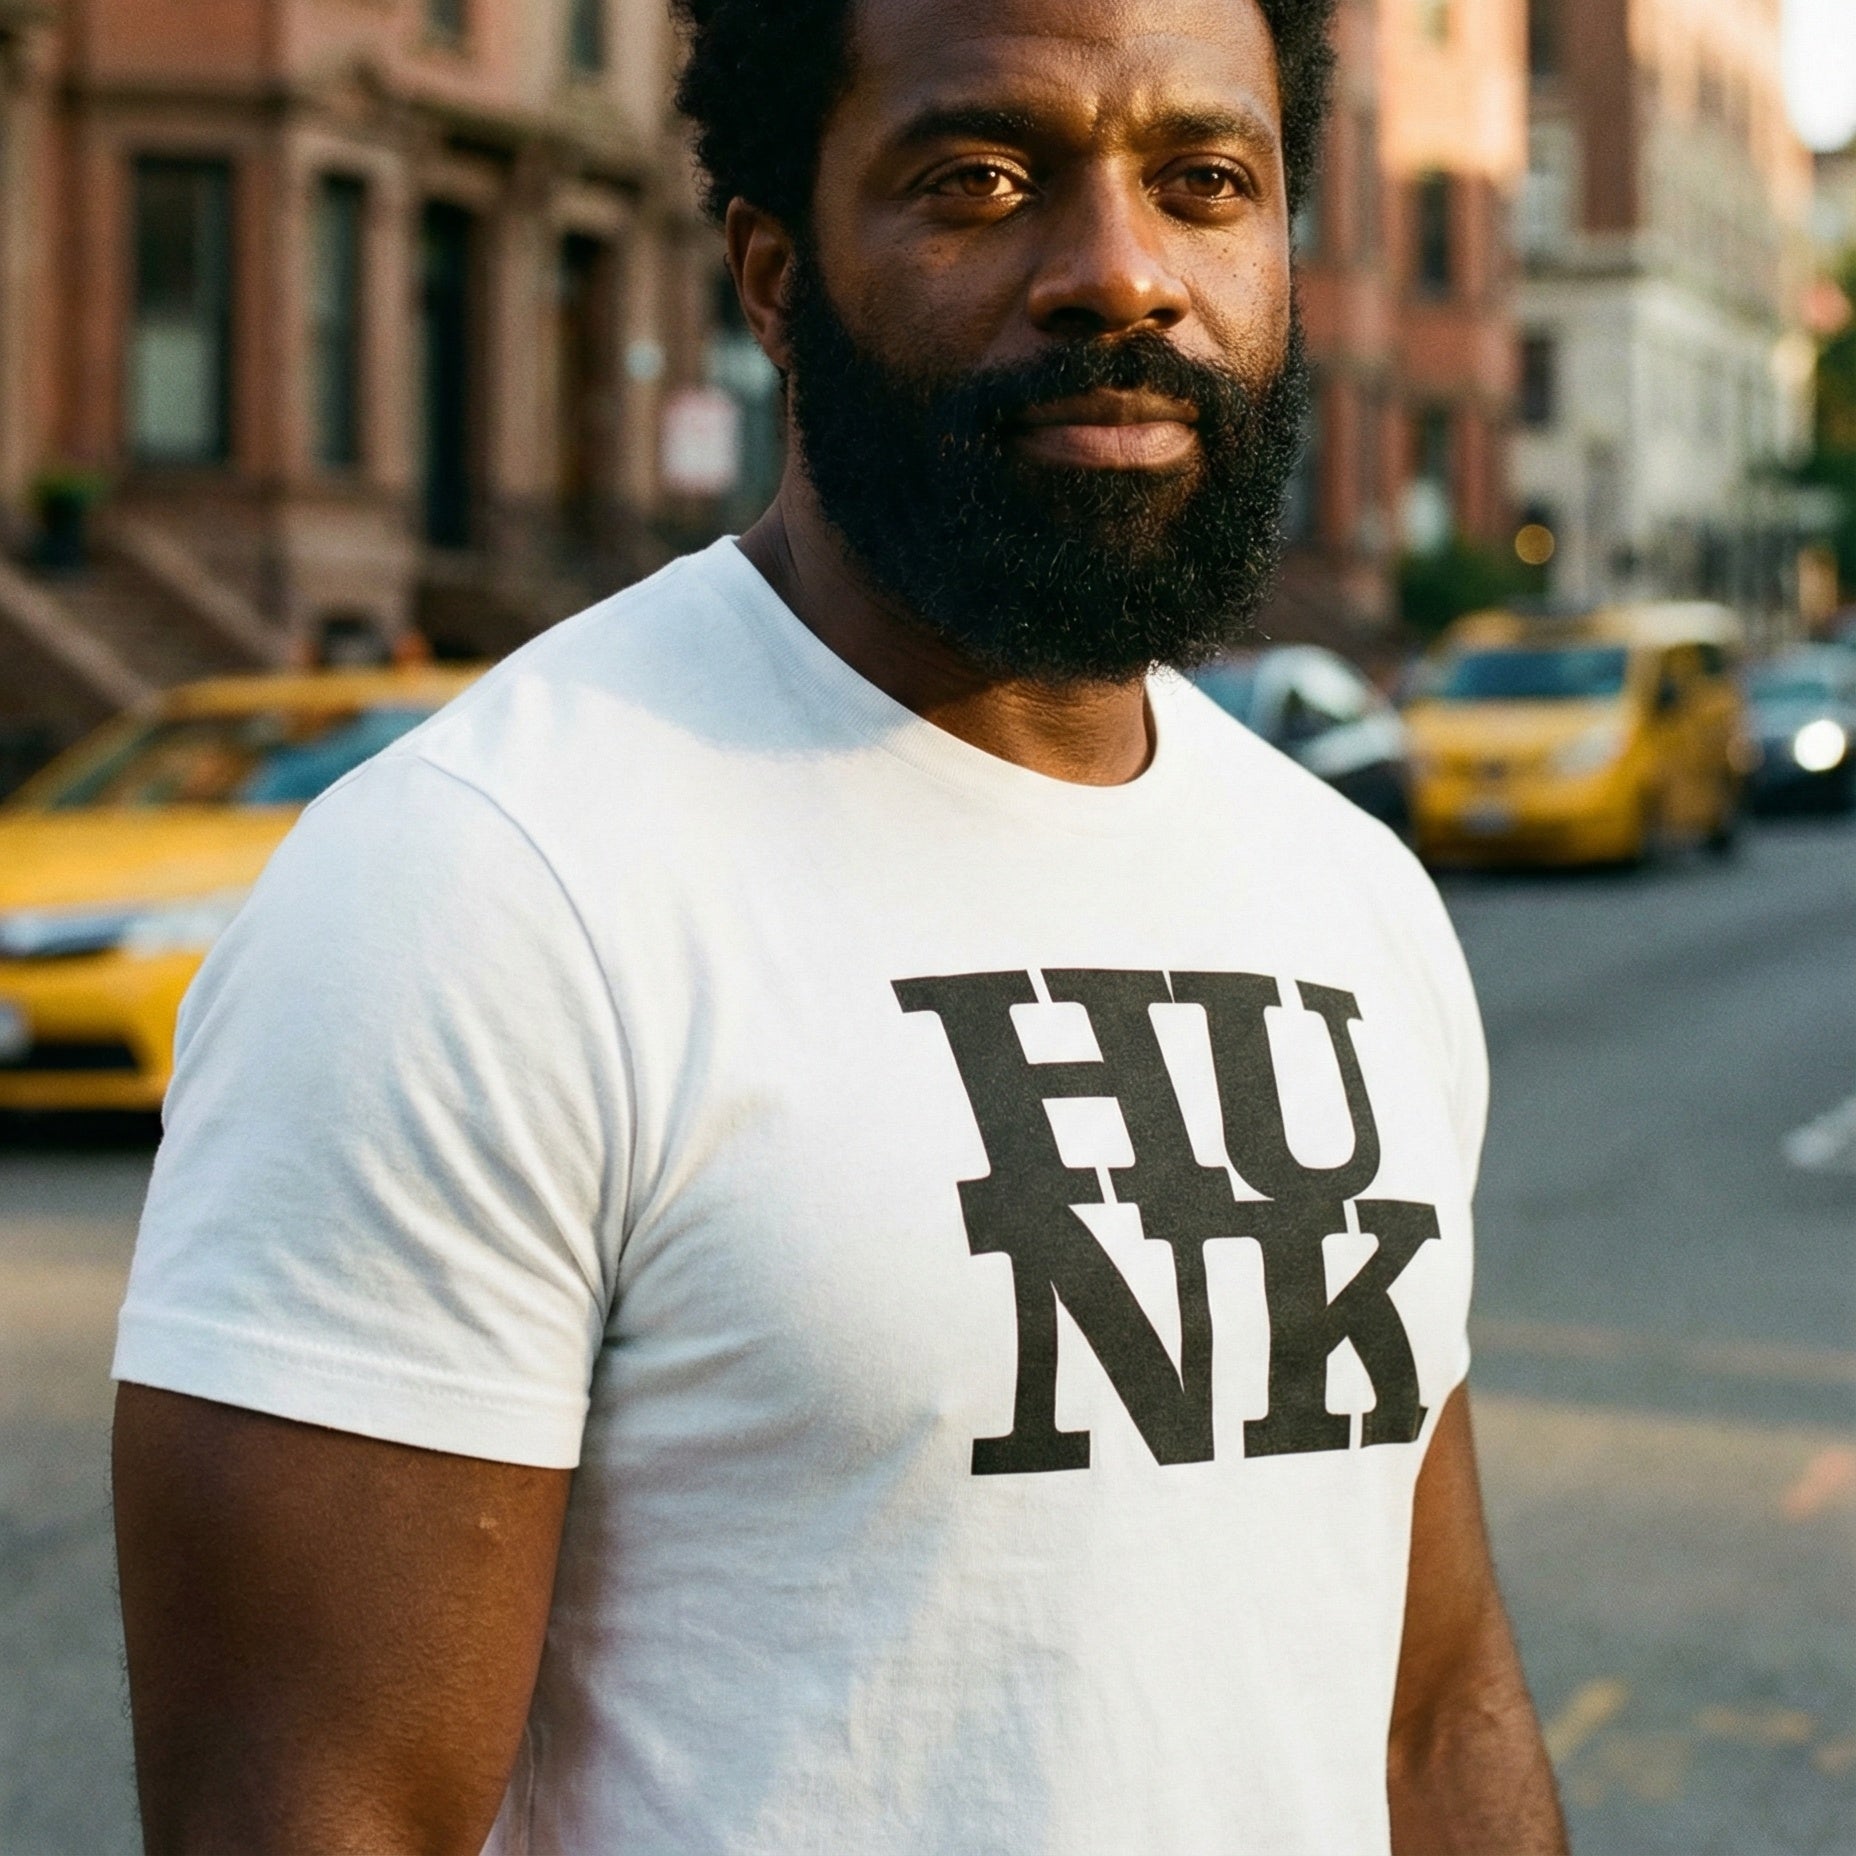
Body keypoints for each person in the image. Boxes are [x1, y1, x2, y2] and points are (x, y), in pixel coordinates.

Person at [111, 0, 1570, 1849]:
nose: (1119, 275)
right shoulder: (475, 890)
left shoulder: (1349, 893)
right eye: (980, 179)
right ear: (776, 277)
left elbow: (1430, 1705)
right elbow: (321, 1817)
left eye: (1203, 183)